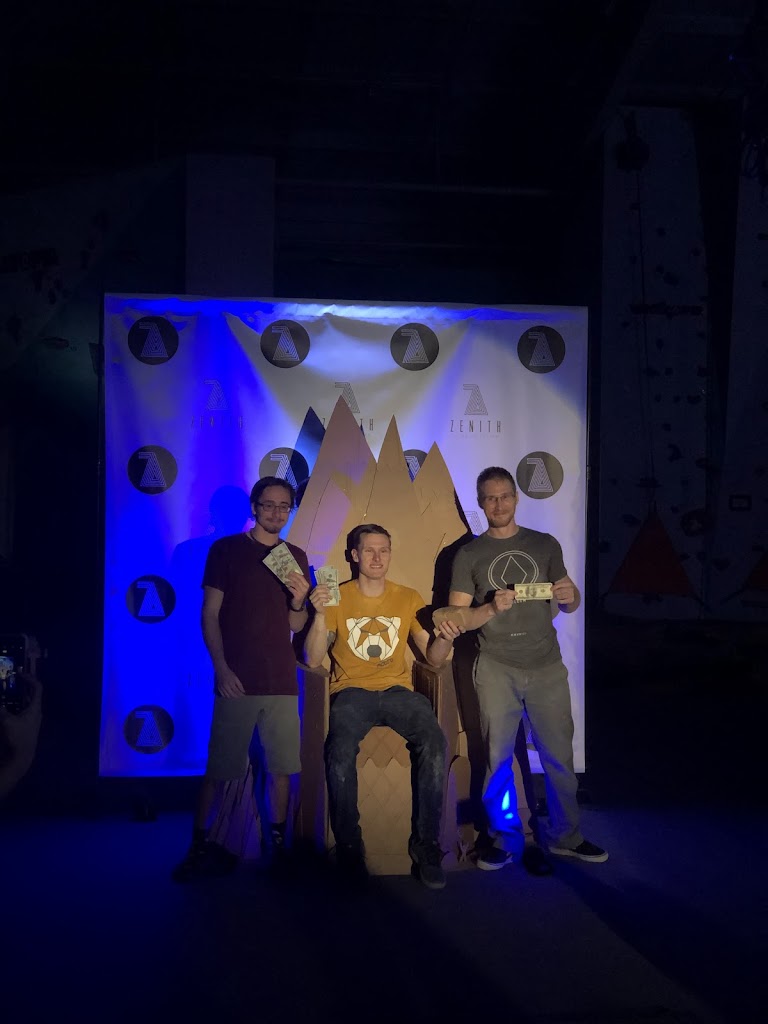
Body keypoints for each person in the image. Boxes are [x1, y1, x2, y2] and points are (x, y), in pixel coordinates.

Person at [446, 466, 607, 870]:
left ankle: (567, 836)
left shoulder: (545, 544)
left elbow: (569, 601)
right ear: (481, 503)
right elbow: (456, 617)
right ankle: (504, 838)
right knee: (497, 759)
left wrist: (571, 596)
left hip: (546, 665)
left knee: (559, 758)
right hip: (496, 667)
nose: (498, 504)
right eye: (490, 498)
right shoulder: (468, 554)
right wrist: (490, 607)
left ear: (516, 498)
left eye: (505, 496)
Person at [305, 524, 461, 889]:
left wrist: (446, 638)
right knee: (339, 750)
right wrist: (319, 615)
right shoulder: (337, 597)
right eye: (369, 550)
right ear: (354, 555)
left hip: (397, 689)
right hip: (351, 691)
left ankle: (426, 846)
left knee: (434, 741)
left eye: (384, 550)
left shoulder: (407, 597)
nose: (377, 558)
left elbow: (433, 657)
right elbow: (312, 657)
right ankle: (349, 848)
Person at [173, 476, 310, 882]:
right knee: (220, 770)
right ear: (254, 507)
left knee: (282, 769)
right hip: (237, 680)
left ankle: (278, 848)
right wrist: (221, 668)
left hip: (281, 680)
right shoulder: (227, 549)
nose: (276, 512)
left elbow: (295, 623)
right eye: (269, 504)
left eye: (284, 506)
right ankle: (199, 846)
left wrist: (299, 600)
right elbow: (209, 614)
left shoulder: (294, 555)